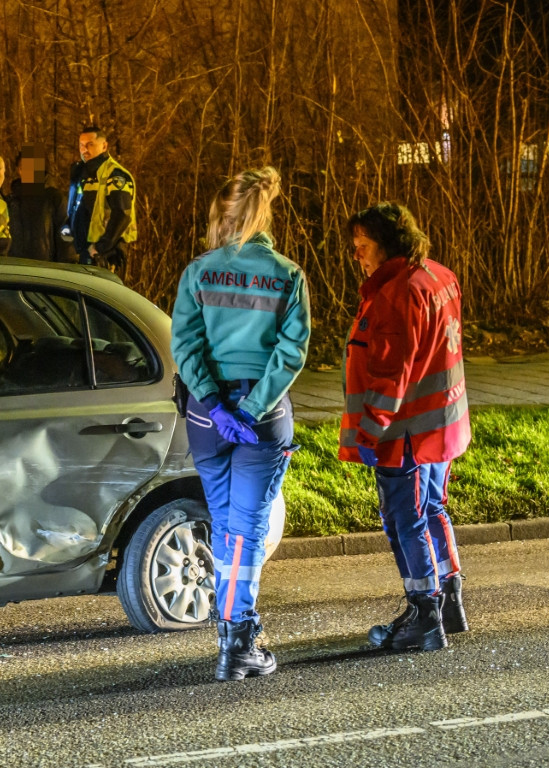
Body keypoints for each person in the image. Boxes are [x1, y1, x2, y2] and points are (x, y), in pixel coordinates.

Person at [170, 166, 310, 682]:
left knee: (227, 524)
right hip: (261, 417)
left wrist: (215, 404)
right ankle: (238, 638)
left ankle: (231, 630)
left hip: (207, 419)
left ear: (221, 215)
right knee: (249, 528)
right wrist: (249, 410)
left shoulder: (198, 272)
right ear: (264, 214)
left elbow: (185, 345)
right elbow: (291, 353)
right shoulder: (288, 275)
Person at [340, 202, 471, 653]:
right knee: (433, 507)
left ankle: (424, 615)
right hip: (442, 422)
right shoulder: (439, 275)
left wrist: (369, 431)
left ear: (387, 245)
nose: (357, 255)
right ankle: (450, 601)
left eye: (363, 245)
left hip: (405, 431)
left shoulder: (396, 294)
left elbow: (390, 374)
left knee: (404, 520)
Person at [64, 126, 136, 273]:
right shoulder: (81, 173)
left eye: (90, 144)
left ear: (104, 146)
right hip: (82, 251)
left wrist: (100, 247)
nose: (84, 150)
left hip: (103, 254)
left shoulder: (115, 174)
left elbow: (122, 213)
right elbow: (77, 209)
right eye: (81, 145)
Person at [7, 145, 69, 261]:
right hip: (15, 265)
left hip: (46, 266)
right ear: (19, 170)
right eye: (24, 168)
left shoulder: (54, 198)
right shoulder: (12, 200)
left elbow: (65, 233)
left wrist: (68, 261)